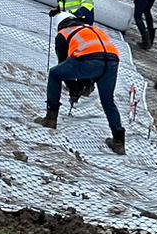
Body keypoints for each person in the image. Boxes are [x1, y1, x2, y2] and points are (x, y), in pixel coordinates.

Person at [33, 15, 126, 153]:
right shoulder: (92, 29)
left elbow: (63, 65)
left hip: (90, 60)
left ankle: (50, 118)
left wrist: (74, 88)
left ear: (61, 25)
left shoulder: (63, 34)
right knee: (108, 101)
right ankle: (119, 142)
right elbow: (98, 55)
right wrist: (85, 83)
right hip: (112, 61)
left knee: (54, 74)